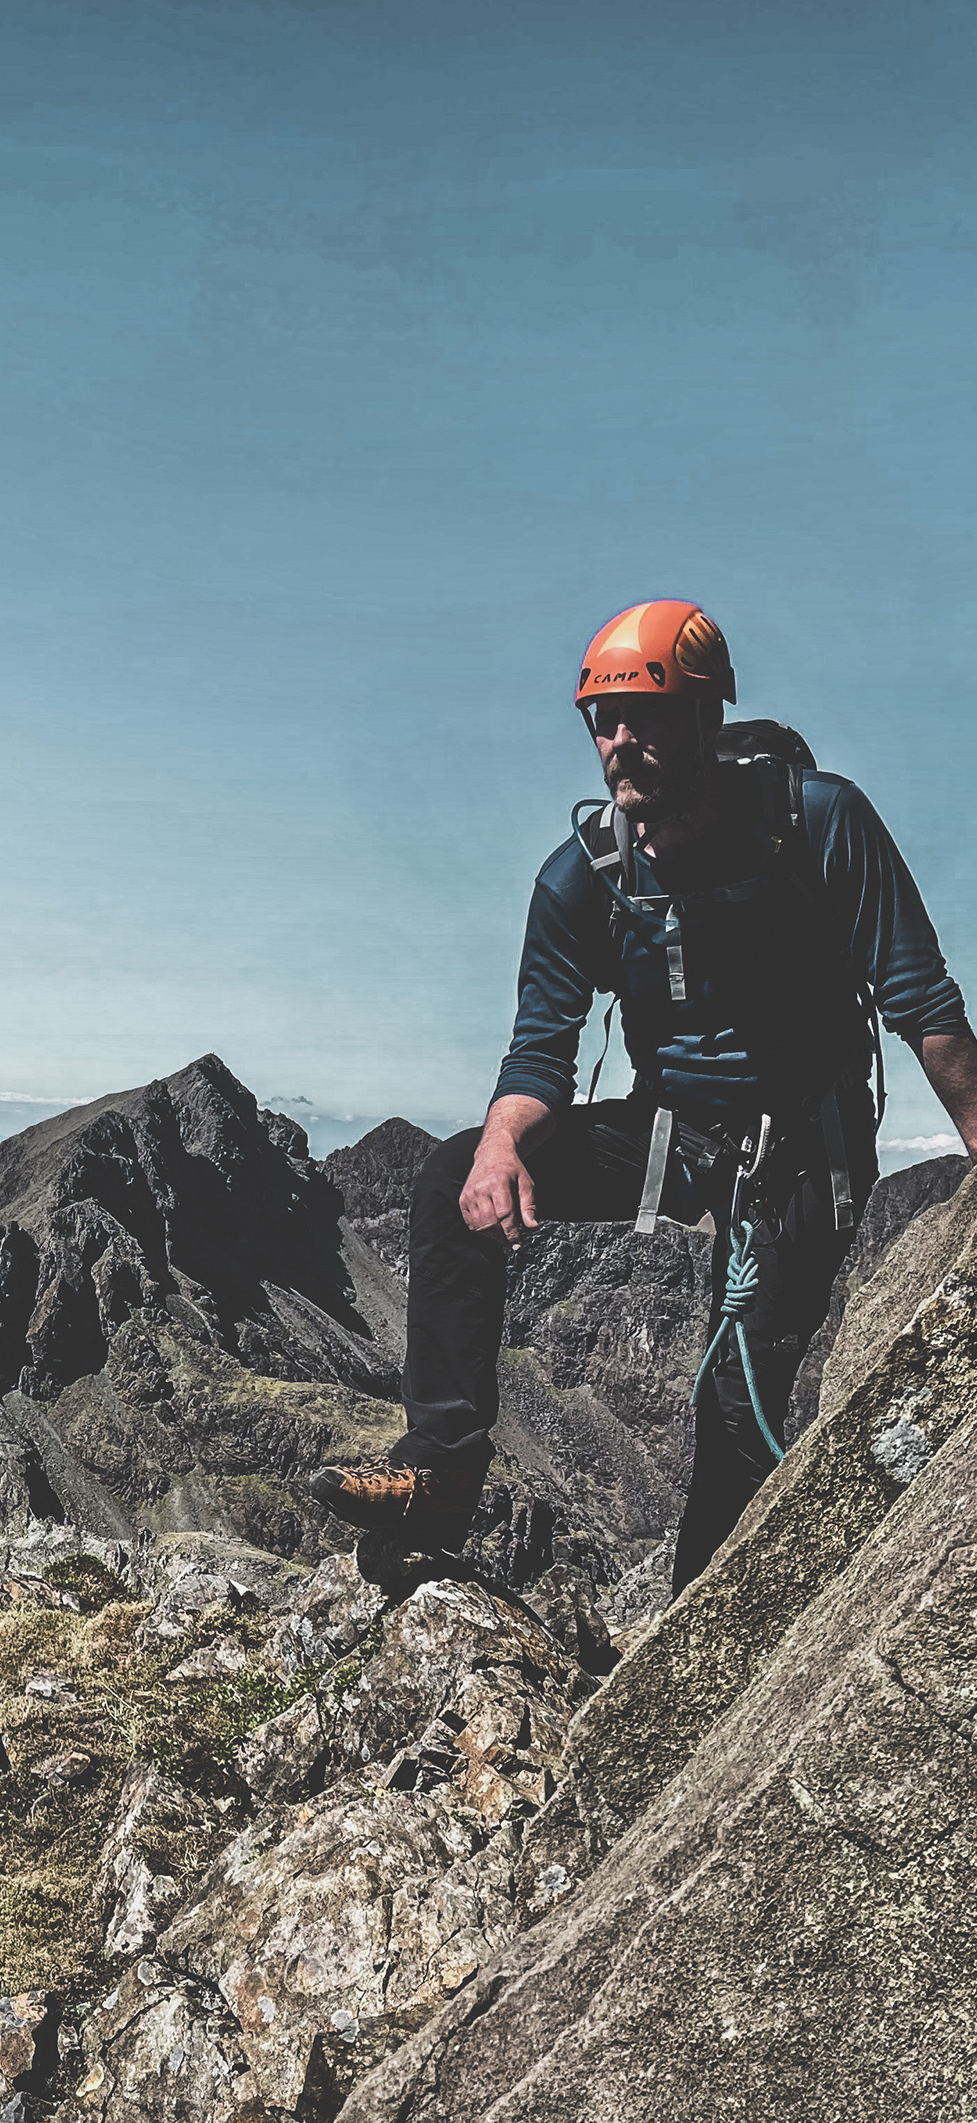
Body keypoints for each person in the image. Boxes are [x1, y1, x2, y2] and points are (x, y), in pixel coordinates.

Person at [312, 598, 977, 1588]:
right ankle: (439, 1474)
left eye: (644, 715)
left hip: (802, 1148)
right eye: (600, 720)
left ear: (705, 715)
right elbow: (538, 1050)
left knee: (731, 1403)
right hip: (671, 1131)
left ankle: (691, 1651)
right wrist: (499, 1149)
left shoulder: (817, 820)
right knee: (452, 1175)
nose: (618, 742)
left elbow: (921, 1004)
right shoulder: (583, 879)